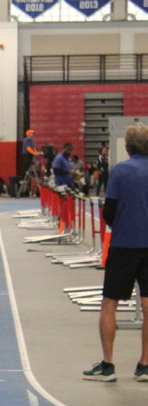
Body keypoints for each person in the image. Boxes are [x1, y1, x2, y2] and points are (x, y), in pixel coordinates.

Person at [83, 122, 148, 382]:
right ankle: (145, 365)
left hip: (124, 245)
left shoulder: (120, 170)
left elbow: (109, 210)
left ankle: (108, 365)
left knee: (110, 302)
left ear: (127, 146)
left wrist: (121, 224)